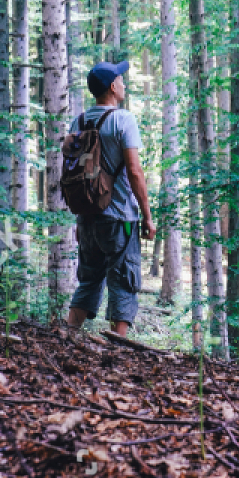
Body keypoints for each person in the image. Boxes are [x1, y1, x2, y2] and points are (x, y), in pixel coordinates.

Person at [66, 60, 154, 336]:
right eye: (121, 79)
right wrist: (148, 216)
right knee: (123, 280)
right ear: (113, 87)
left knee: (89, 280)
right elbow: (135, 171)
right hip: (119, 218)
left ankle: (67, 336)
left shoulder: (78, 121)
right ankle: (119, 349)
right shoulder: (123, 119)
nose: (124, 84)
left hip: (87, 216)